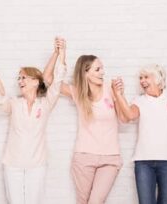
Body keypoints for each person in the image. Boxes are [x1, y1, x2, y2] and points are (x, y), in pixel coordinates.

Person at [44, 38, 126, 204]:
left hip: (110, 158)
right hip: (84, 158)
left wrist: (120, 95)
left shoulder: (110, 89)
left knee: (95, 201)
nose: (103, 72)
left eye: (102, 68)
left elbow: (124, 119)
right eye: (97, 69)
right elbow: (47, 78)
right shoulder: (77, 93)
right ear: (85, 73)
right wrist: (59, 54)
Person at [0, 44, 67, 204]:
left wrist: (60, 54)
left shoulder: (46, 104)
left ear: (36, 82)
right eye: (19, 78)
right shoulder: (14, 103)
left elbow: (57, 82)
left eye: (23, 77)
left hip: (37, 165)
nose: (20, 81)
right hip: (12, 164)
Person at [111, 64, 167, 204]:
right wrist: (118, 94)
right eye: (140, 77)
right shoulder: (139, 101)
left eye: (146, 77)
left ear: (158, 79)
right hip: (144, 162)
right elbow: (128, 116)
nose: (142, 80)